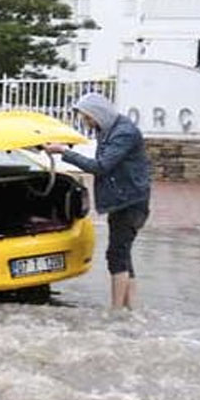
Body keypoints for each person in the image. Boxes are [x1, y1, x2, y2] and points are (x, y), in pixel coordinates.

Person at [43, 92, 151, 310]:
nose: (87, 123)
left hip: (130, 203)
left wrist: (64, 152)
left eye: (88, 118)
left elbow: (100, 166)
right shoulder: (109, 129)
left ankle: (116, 311)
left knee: (116, 254)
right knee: (122, 253)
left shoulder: (124, 133)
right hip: (124, 201)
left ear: (99, 114)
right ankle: (131, 310)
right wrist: (66, 147)